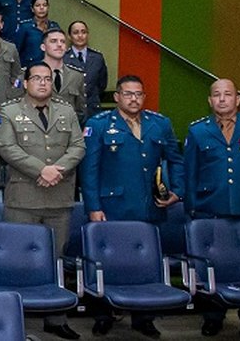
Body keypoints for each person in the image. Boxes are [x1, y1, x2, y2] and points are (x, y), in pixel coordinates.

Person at [80, 75, 184, 338]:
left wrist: (177, 192)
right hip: (112, 207)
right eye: (128, 94)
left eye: (138, 94)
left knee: (144, 264)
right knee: (106, 262)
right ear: (117, 97)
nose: (133, 98)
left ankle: (144, 318)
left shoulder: (160, 124)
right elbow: (89, 170)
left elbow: (176, 160)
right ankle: (103, 315)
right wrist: (93, 206)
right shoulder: (99, 124)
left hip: (149, 207)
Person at [0, 63, 84, 340]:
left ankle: (56, 319)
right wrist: (40, 169)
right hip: (24, 198)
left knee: (56, 259)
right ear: (25, 83)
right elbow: (7, 148)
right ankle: (15, 319)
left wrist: (56, 170)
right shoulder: (9, 112)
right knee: (18, 261)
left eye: (47, 79)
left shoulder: (66, 111)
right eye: (37, 78)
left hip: (59, 197)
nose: (43, 83)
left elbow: (78, 146)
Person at [184, 79, 240, 339]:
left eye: (227, 94)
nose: (222, 99)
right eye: (216, 95)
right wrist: (191, 209)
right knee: (212, 268)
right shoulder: (198, 131)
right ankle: (213, 318)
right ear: (210, 101)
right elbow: (190, 174)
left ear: (238, 99)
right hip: (208, 208)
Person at [40, 27, 87, 123]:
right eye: (53, 41)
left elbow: (80, 110)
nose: (59, 45)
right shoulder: (29, 73)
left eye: (62, 42)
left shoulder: (76, 76)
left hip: (67, 131)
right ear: (43, 47)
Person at [64, 21, 108, 114]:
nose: (80, 36)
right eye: (76, 33)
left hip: (92, 109)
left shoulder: (97, 57)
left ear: (87, 35)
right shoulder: (63, 58)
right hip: (71, 109)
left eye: (83, 32)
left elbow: (102, 84)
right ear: (69, 36)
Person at [15, 0, 59, 68]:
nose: (41, 8)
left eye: (44, 5)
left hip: (50, 69)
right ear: (32, 9)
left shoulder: (54, 27)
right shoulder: (25, 27)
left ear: (48, 7)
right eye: (38, 5)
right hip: (29, 69)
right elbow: (16, 51)